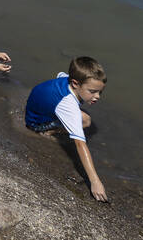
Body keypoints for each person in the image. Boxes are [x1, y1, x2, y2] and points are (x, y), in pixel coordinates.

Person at [25, 57, 109, 202]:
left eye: (100, 92)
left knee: (79, 115)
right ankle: (49, 131)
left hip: (34, 107)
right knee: (86, 121)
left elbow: (60, 74)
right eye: (93, 91)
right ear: (76, 83)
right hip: (35, 123)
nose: (97, 97)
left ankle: (54, 123)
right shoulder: (67, 105)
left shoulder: (67, 78)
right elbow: (80, 144)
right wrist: (95, 181)